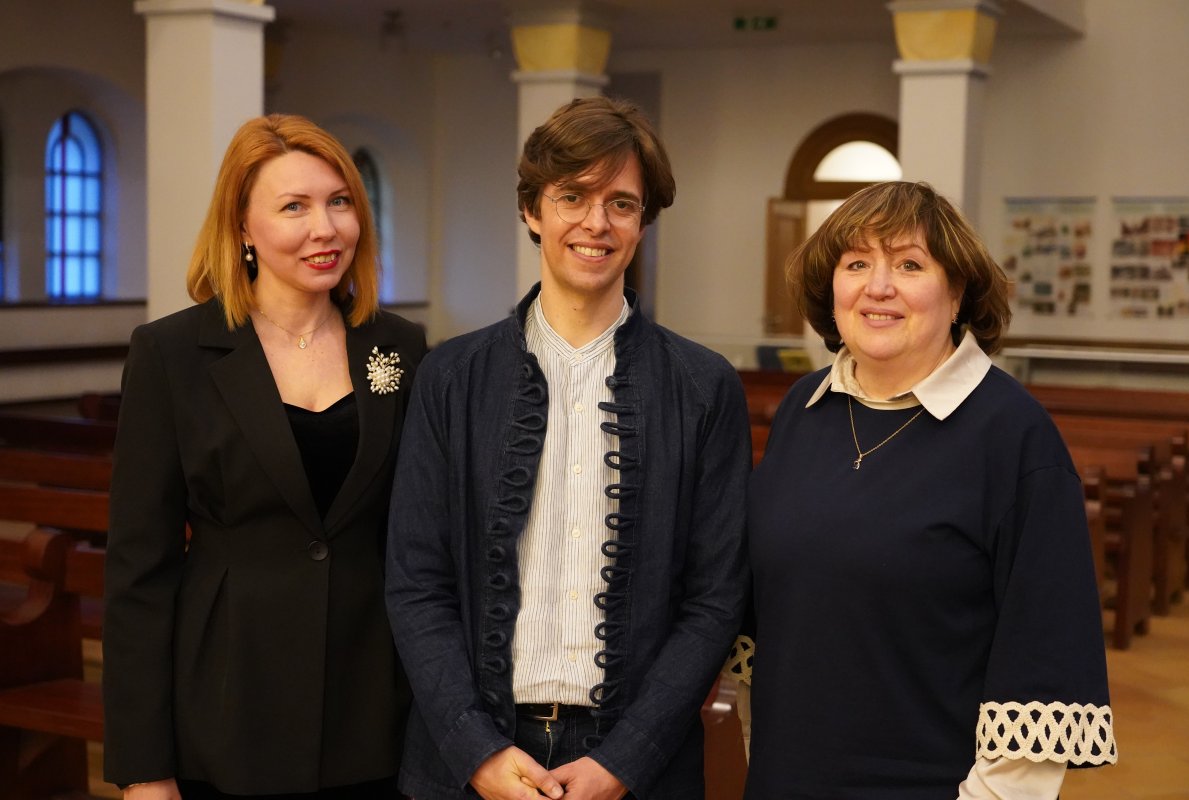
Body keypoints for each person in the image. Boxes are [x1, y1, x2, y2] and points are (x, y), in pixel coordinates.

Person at [384, 95, 750, 800]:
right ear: (532, 209)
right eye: (572, 196)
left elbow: (715, 597)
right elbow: (416, 582)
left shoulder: (703, 387)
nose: (596, 223)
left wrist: (626, 760)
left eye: (621, 203)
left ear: (643, 221)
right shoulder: (450, 377)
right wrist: (476, 751)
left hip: (639, 768)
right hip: (470, 760)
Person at [743, 181, 1117, 798]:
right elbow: (773, 623)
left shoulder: (1015, 435)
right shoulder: (802, 410)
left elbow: (1044, 655)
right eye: (856, 263)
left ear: (958, 290)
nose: (878, 286)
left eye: (909, 265)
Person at [103, 114, 427, 799]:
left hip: (371, 704)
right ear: (243, 226)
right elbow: (139, 570)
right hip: (227, 699)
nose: (325, 228)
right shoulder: (171, 354)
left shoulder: (398, 346)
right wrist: (143, 768)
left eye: (339, 202)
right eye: (294, 207)